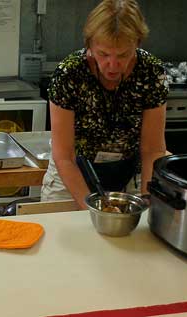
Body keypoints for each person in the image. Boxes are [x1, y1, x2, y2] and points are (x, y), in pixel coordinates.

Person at [41, 0, 168, 209]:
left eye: (123, 55)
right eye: (103, 54)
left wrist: (147, 199)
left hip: (130, 172)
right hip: (73, 172)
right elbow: (64, 155)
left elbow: (152, 149)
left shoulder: (151, 72)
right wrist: (95, 210)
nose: (113, 65)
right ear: (89, 45)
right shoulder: (69, 73)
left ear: (137, 43)